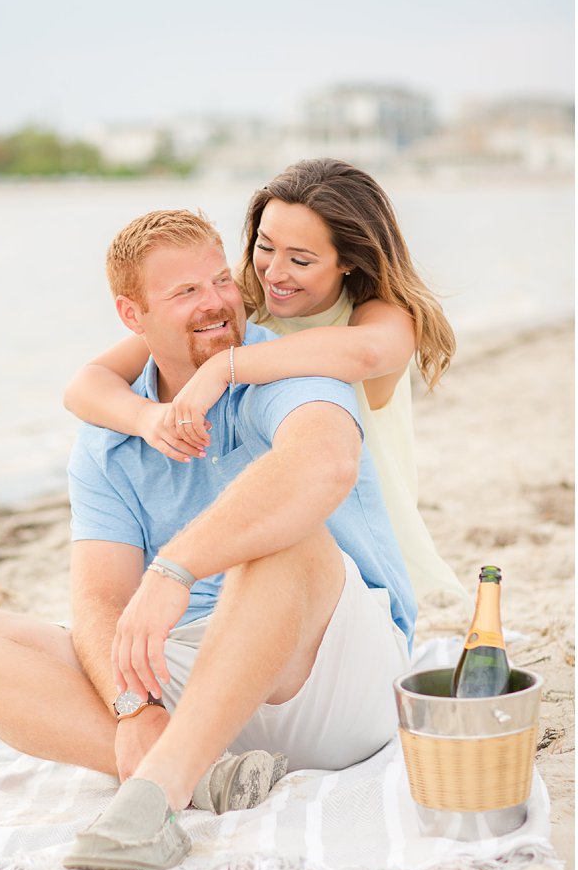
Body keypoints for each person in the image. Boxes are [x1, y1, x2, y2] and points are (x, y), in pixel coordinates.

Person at [0, 209, 415, 870]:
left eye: (220, 280)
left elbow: (324, 463)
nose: (215, 302)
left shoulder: (280, 369)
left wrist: (175, 567)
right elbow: (99, 598)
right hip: (194, 684)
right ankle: (201, 770)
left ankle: (155, 796)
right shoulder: (109, 441)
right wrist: (132, 707)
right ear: (132, 315)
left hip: (324, 670)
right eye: (185, 292)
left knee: (284, 541)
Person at [63, 159, 465, 609]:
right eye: (265, 246)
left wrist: (223, 367)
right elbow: (85, 385)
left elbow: (366, 353)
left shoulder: (381, 316)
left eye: (301, 260)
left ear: (349, 260)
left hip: (363, 527)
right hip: (281, 516)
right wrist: (146, 417)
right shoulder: (239, 301)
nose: (274, 272)